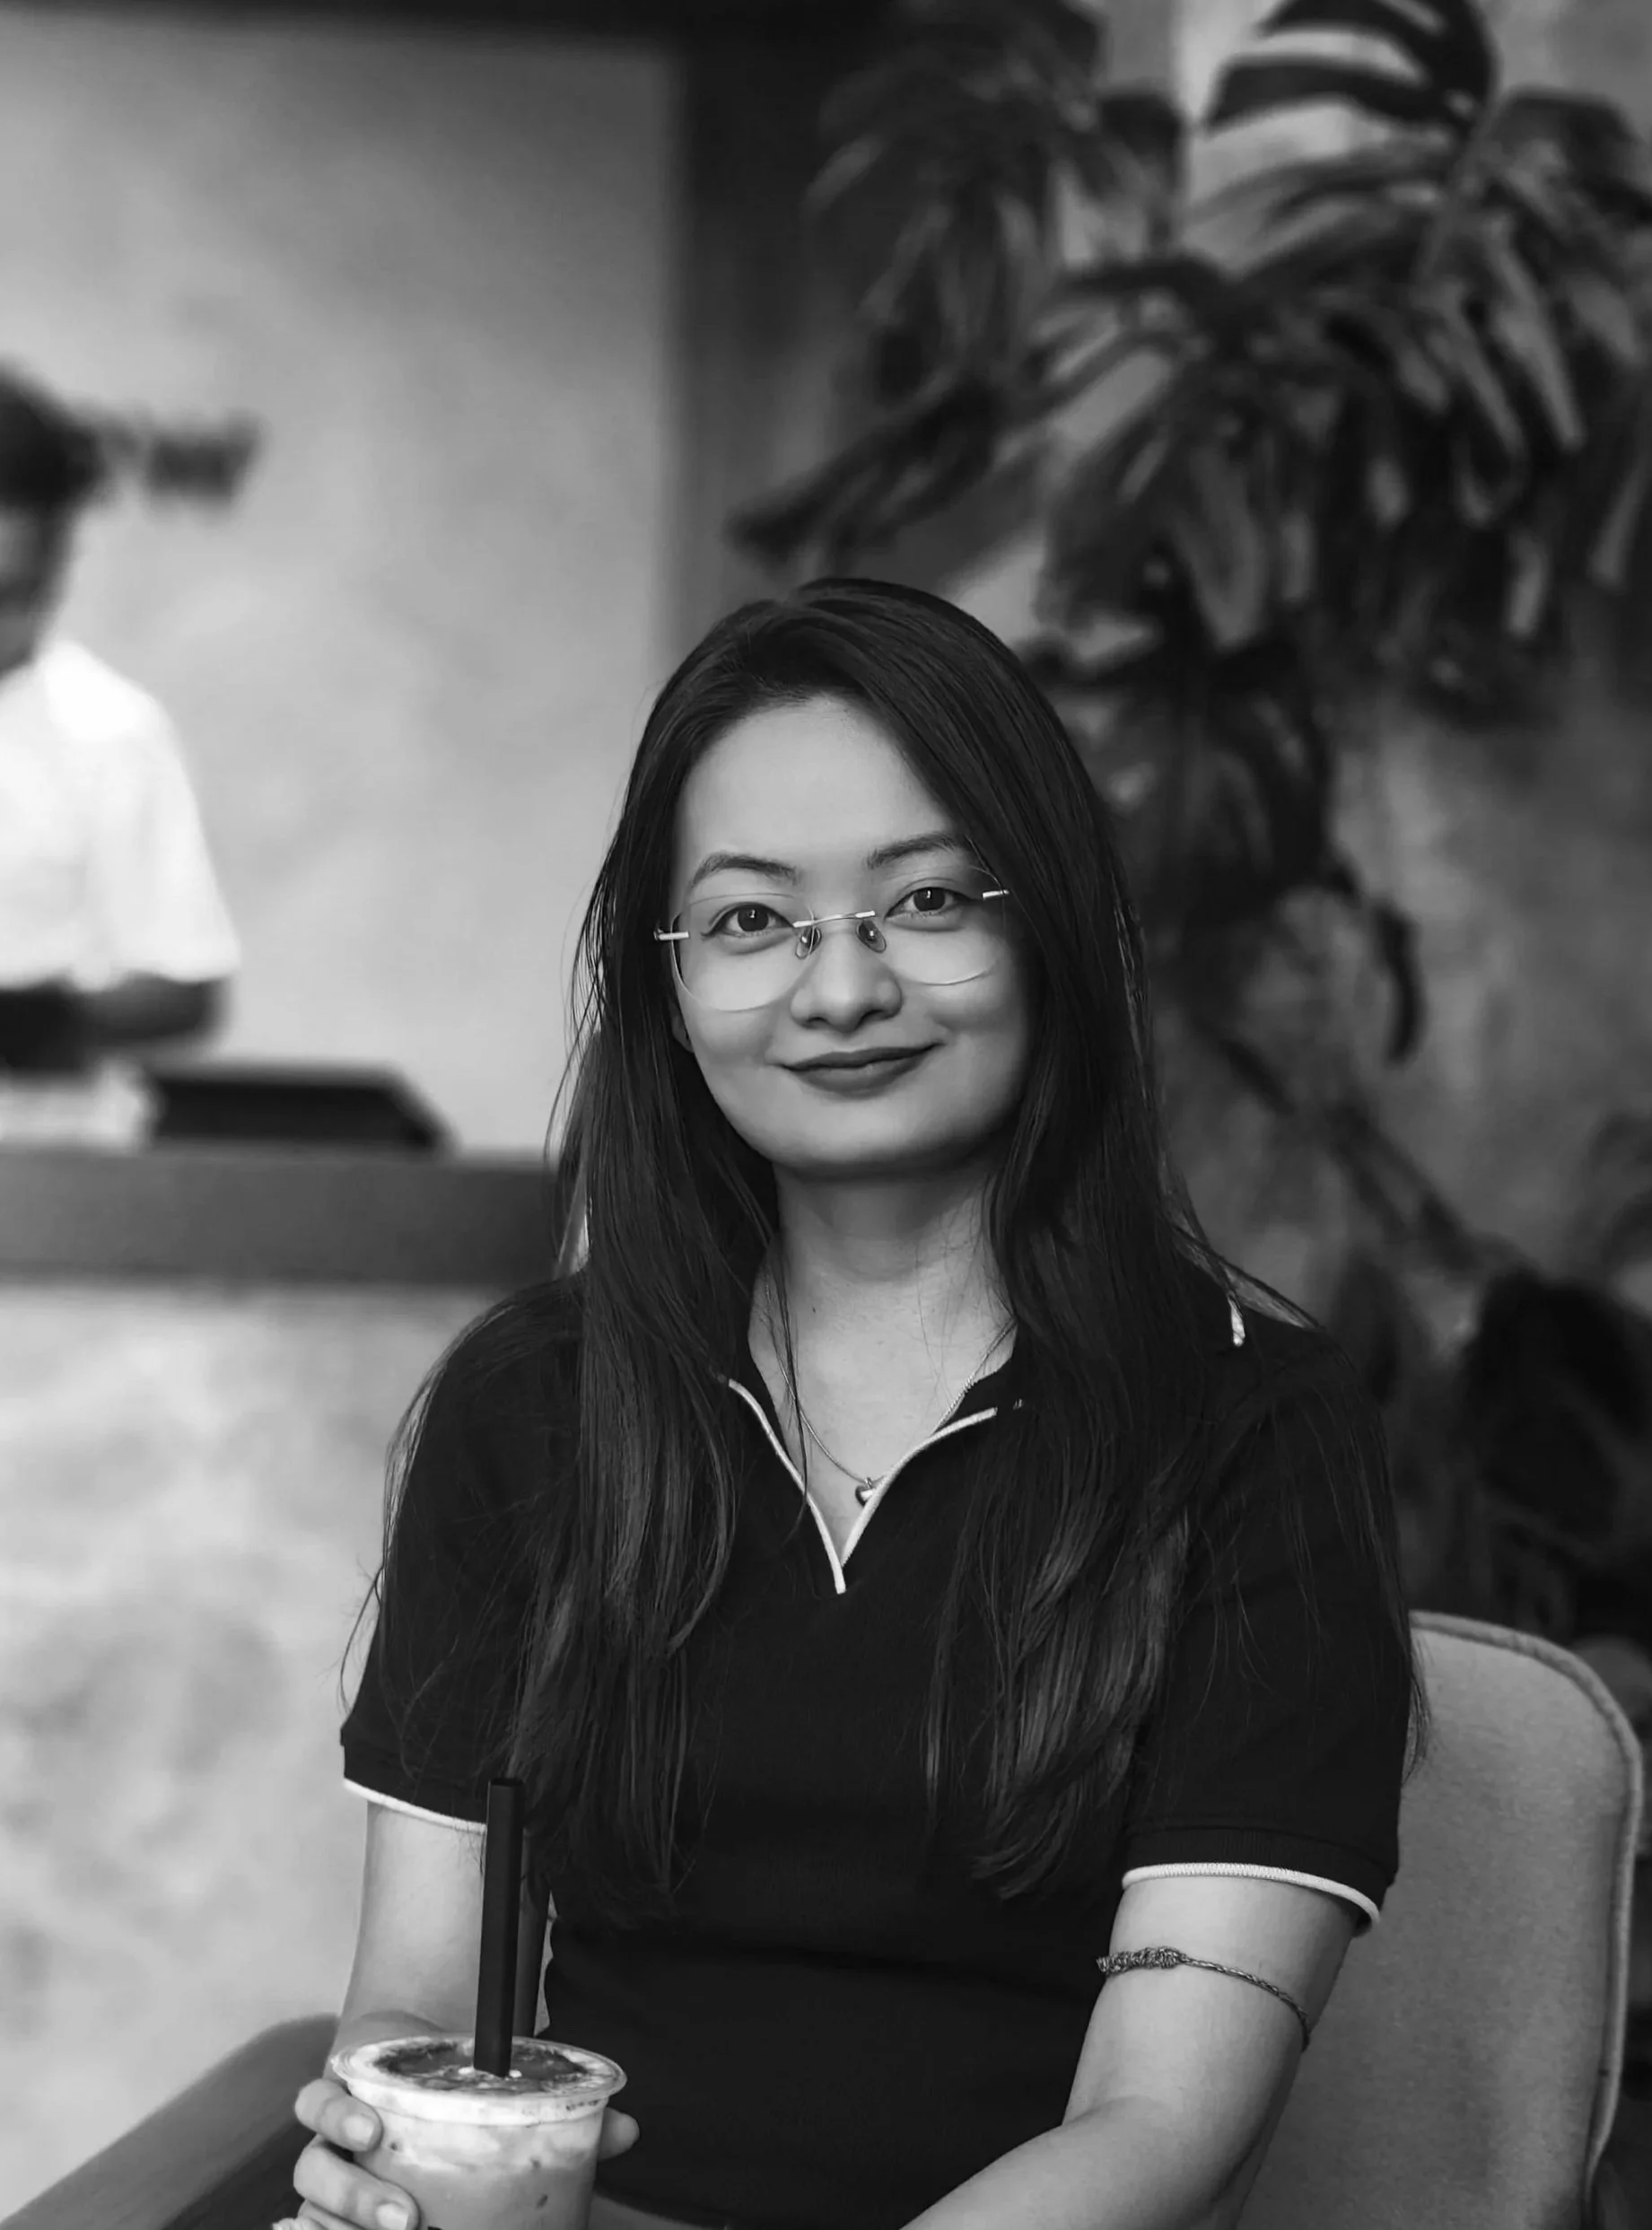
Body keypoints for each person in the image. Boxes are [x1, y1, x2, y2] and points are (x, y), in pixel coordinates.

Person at [293, 579, 1429, 2230]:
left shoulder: (1249, 1427)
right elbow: (413, 1993)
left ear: (1046, 926)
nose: (838, 990)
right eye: (751, 921)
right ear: (666, 984)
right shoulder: (534, 1404)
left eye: (923, 902)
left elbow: (1161, 2122)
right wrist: (395, 2146)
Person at [0, 368, 239, 1139]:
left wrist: (32, 1023)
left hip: (47, 1156)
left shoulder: (110, 729)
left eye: (24, 591)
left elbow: (186, 985)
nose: (8, 619)